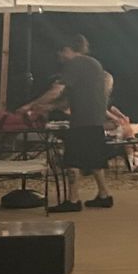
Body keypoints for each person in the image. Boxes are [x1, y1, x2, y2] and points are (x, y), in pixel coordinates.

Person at [43, 34, 113, 212]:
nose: (59, 56)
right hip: (95, 118)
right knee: (95, 159)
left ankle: (73, 200)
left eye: (60, 52)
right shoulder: (93, 64)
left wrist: (34, 105)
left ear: (68, 49)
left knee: (72, 160)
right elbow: (68, 101)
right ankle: (104, 195)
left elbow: (57, 91)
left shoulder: (75, 64)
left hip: (82, 120)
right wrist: (50, 107)